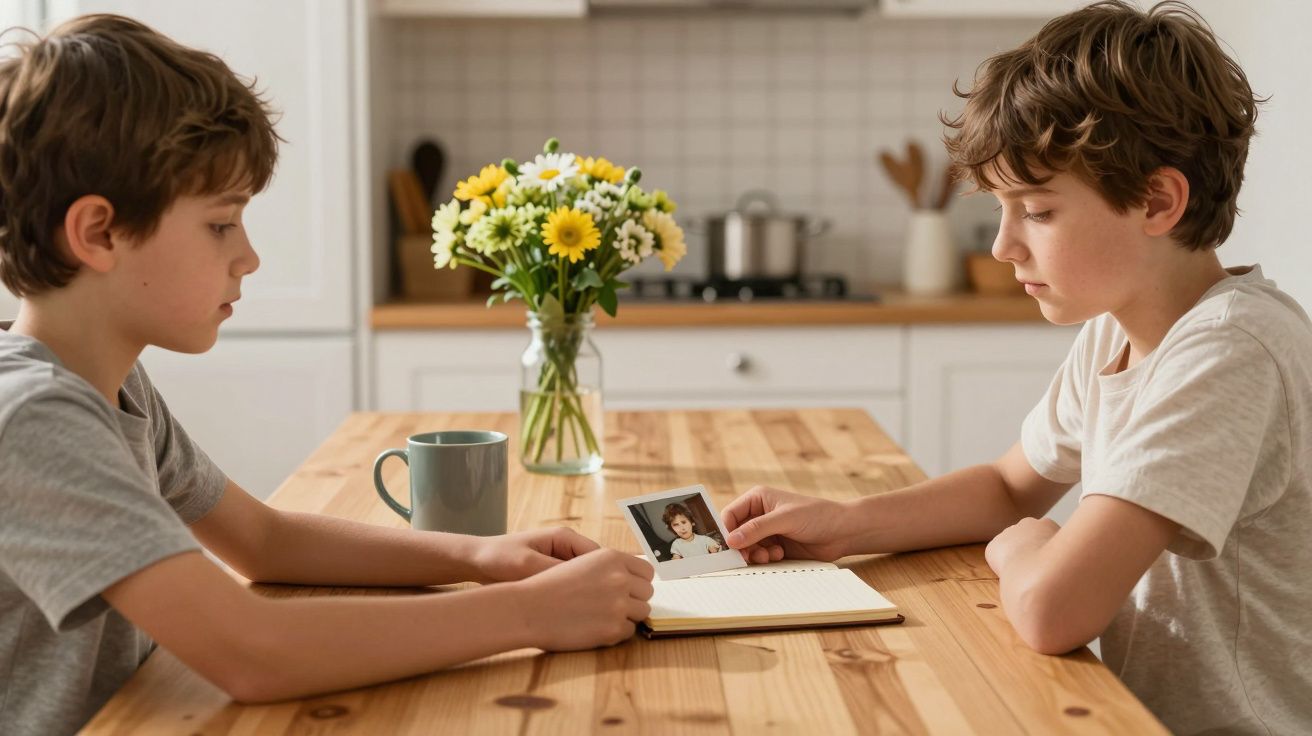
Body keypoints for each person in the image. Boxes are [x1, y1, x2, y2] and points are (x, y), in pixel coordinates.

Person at [0, 14, 653, 735]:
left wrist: (482, 556)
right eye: (222, 223)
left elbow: (265, 542)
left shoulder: (110, 386)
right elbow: (253, 652)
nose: (247, 257)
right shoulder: (33, 416)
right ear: (98, 233)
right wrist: (532, 613)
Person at [721, 2, 1311, 733]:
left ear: (1158, 201)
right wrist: (847, 524)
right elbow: (1008, 486)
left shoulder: (1228, 353)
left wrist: (1030, 544)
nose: (1003, 246)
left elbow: (1050, 608)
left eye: (1036, 211)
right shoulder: (1117, 331)